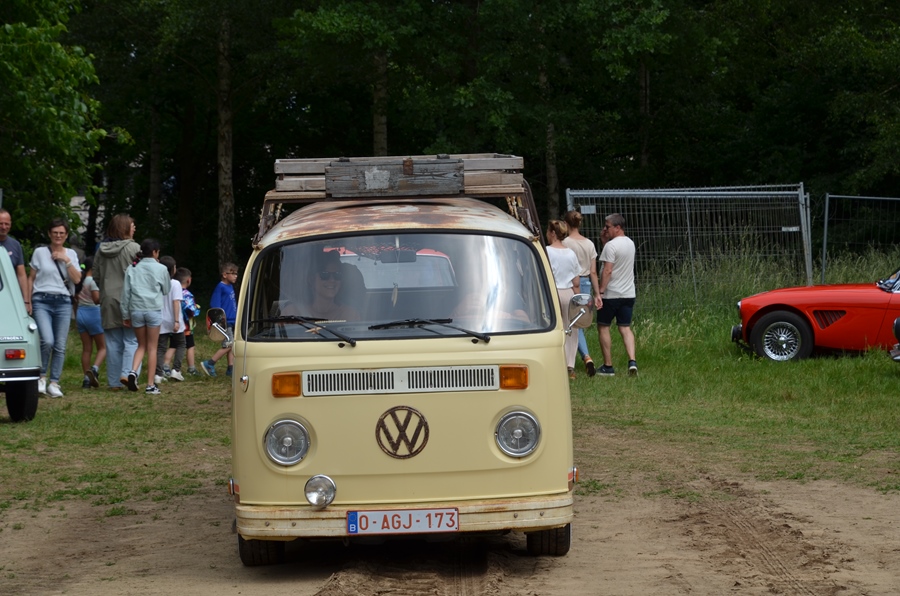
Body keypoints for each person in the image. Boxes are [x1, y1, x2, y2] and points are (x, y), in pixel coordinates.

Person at [26, 218, 82, 398]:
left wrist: (66, 260)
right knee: (47, 340)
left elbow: (77, 279)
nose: (58, 236)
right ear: (49, 234)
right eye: (55, 232)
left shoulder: (71, 254)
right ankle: (41, 378)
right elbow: (31, 278)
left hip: (63, 301)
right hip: (41, 300)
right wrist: (27, 301)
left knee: (60, 345)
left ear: (66, 235)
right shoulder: (40, 252)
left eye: (62, 233)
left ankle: (54, 382)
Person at [93, 214, 141, 390]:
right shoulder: (134, 248)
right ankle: (128, 374)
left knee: (112, 342)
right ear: (125, 228)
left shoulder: (101, 249)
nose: (134, 229)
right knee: (132, 339)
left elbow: (96, 275)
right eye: (132, 226)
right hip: (130, 299)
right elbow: (140, 274)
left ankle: (114, 382)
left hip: (108, 299)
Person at [121, 239, 171, 394]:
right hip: (153, 309)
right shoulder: (161, 268)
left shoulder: (132, 268)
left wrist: (125, 314)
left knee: (140, 345)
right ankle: (150, 385)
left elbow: (125, 294)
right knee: (152, 348)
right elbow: (166, 290)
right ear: (155, 252)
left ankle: (133, 371)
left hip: (136, 310)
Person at [596, 213, 637, 376]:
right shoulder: (630, 243)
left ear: (617, 227)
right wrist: (605, 242)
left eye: (608, 226)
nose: (605, 229)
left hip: (611, 294)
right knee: (625, 327)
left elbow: (608, 270)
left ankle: (608, 366)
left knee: (603, 326)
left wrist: (600, 291)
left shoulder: (611, 246)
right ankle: (632, 361)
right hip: (628, 293)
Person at [563, 210, 600, 377]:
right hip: (585, 283)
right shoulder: (589, 244)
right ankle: (585, 357)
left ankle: (585, 356)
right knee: (580, 321)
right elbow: (593, 271)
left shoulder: (565, 243)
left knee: (572, 323)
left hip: (570, 283)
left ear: (566, 224)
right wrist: (597, 294)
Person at [545, 220, 581, 380]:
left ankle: (553, 362)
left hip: (552, 292)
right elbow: (576, 281)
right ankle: (569, 365)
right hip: (568, 292)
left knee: (552, 328)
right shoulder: (571, 253)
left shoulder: (547, 251)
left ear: (553, 233)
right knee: (570, 329)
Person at [201, 262, 239, 377]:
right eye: (233, 273)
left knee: (231, 344)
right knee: (229, 345)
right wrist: (219, 321)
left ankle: (230, 368)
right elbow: (215, 305)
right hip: (225, 322)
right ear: (224, 275)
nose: (235, 276)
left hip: (232, 320)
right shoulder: (220, 287)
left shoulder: (230, 286)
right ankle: (210, 363)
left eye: (236, 274)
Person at [76, 256, 106, 388]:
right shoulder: (93, 281)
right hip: (94, 314)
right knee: (103, 347)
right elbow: (96, 299)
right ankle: (94, 369)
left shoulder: (80, 281)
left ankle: (86, 379)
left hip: (80, 313)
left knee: (87, 349)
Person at [155, 256, 185, 384]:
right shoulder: (175, 283)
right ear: (173, 269)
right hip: (173, 318)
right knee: (181, 344)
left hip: (160, 319)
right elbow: (176, 302)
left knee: (161, 347)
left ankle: (158, 374)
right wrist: (177, 321)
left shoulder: (156, 283)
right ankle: (176, 370)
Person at [173, 267, 200, 376]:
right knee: (190, 345)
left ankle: (164, 367)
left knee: (173, 346)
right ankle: (191, 368)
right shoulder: (187, 294)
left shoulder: (173, 292)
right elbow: (191, 310)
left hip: (173, 324)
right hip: (186, 326)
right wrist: (197, 308)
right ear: (189, 280)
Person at [0, 208, 28, 304]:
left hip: (9, 297)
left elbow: (21, 274)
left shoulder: (15, 245)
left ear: (10, 225)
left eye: (6, 224)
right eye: (0, 223)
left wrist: (26, 301)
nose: (4, 227)